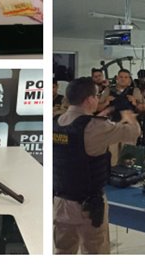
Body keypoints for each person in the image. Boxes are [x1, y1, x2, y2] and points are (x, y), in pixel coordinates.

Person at [53, 77, 140, 254]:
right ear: (89, 100)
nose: (98, 99)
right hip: (89, 205)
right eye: (96, 95)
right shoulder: (97, 127)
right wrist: (128, 115)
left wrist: (98, 117)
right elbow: (133, 132)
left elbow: (77, 132)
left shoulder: (55, 121)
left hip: (61, 201)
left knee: (63, 250)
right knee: (95, 251)